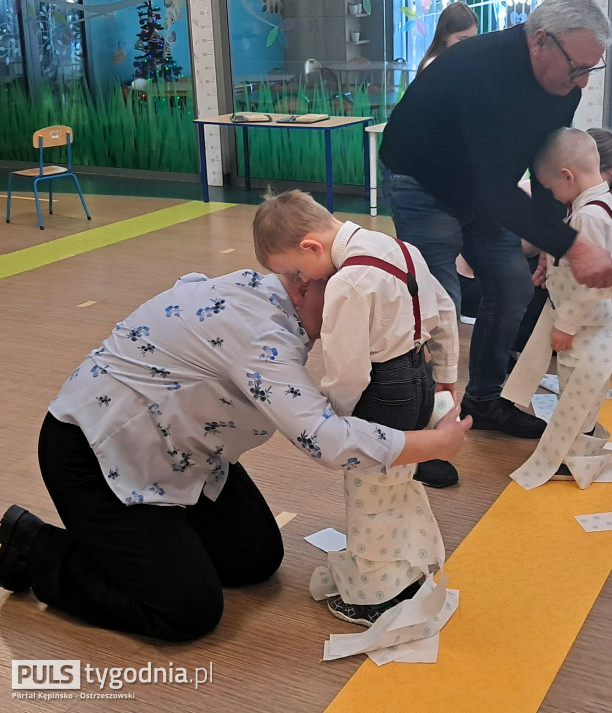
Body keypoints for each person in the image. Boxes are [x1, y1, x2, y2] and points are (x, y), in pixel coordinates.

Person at [0, 269, 469, 641]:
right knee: (186, 611)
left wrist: (440, 367)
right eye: (344, 301)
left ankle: (149, 546)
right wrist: (432, 445)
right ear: (303, 280)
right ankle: (34, 545)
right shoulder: (261, 337)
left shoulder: (272, 293)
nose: (353, 317)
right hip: (96, 455)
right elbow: (323, 439)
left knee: (253, 559)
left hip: (182, 456)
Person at [379, 0, 612, 441]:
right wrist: (573, 245)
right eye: (578, 68)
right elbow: (491, 188)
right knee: (439, 307)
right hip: (421, 181)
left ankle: (483, 401)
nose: (583, 81)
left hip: (483, 189)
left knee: (512, 287)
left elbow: (542, 168)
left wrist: (550, 242)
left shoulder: (560, 85)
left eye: (591, 68)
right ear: (540, 41)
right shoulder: (480, 70)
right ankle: (427, 428)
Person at [253, 190, 462, 625]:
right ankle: (407, 572)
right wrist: (445, 375)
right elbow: (444, 309)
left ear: (311, 247)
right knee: (397, 482)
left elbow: (348, 371)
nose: (301, 285)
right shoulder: (402, 248)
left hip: (382, 391)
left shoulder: (348, 283)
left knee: (368, 494)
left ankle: (375, 598)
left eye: (296, 273)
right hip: (420, 376)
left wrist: (338, 422)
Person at [503, 129, 612, 489]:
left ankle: (575, 457)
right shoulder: (604, 204)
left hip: (584, 326)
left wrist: (565, 325)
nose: (552, 195)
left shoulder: (586, 218)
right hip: (593, 323)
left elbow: (585, 284)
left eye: (550, 187)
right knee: (583, 392)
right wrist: (553, 260)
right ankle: (580, 451)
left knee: (578, 394)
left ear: (568, 176)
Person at [417, 1, 479, 76]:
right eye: (462, 40)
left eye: (472, 40)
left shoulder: (466, 62)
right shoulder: (433, 65)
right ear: (444, 35)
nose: (468, 45)